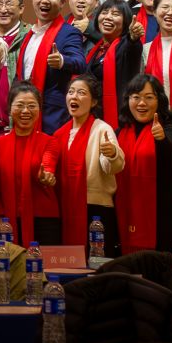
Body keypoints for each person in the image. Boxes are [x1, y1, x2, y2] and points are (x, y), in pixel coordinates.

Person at [112, 73, 172, 254]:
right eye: (136, 97)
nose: (142, 103)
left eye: (149, 97)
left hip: (161, 217)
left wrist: (161, 140)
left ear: (159, 101)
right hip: (123, 211)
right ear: (128, 100)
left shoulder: (169, 127)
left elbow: (171, 159)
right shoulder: (118, 132)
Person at [57, 75, 124, 252]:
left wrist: (112, 154)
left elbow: (112, 167)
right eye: (71, 92)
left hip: (96, 209)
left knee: (97, 262)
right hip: (66, 207)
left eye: (81, 93)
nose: (74, 96)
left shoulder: (102, 129)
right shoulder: (59, 134)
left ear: (94, 102)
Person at [17, 0, 87, 132]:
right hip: (24, 112)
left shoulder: (69, 33)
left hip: (52, 115)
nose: (45, 0)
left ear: (62, 2)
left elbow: (80, 63)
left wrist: (62, 60)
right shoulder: (28, 35)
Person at [0, 84, 54, 246]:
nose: (26, 111)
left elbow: (49, 164)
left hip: (43, 220)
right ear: (9, 109)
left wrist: (47, 176)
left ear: (39, 110)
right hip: (5, 220)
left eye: (32, 106)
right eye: (20, 105)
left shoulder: (49, 142)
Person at [87, 0, 143, 129]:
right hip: (93, 116)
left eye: (115, 14)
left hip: (118, 118)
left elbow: (132, 45)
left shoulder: (125, 46)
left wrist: (133, 37)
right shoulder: (95, 50)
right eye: (104, 12)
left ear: (126, 21)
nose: (108, 17)